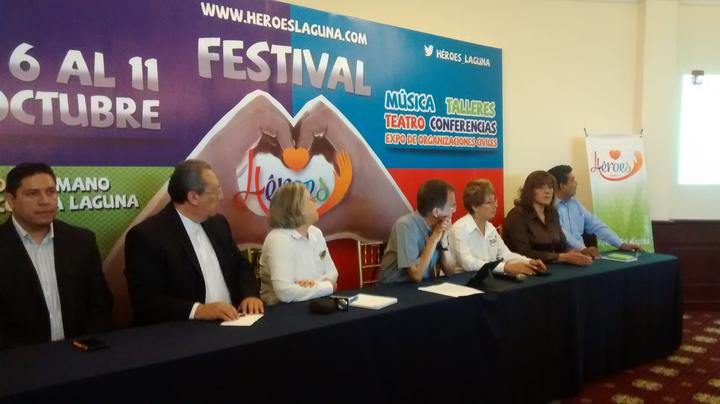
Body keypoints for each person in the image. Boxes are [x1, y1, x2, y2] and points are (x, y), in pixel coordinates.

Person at [124, 160, 263, 325]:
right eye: (215, 191)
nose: (221, 196)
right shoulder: (147, 235)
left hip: (234, 322)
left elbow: (240, 265)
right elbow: (146, 300)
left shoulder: (218, 223)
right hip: (184, 330)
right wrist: (199, 310)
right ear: (193, 197)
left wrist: (250, 294)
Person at [0, 163, 112, 349]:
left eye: (51, 192)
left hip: (81, 353)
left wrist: (87, 344)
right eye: (32, 194)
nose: (45, 201)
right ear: (10, 200)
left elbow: (100, 303)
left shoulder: (82, 241)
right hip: (17, 359)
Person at [259, 183, 338, 305]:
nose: (315, 201)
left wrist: (313, 285)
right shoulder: (278, 239)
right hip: (284, 311)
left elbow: (333, 273)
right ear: (295, 208)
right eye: (310, 199)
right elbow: (284, 292)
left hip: (317, 304)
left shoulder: (316, 233)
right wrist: (328, 286)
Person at [450, 179, 546, 276]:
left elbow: (505, 254)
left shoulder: (490, 228)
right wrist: (504, 267)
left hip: (488, 277)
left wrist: (529, 262)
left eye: (495, 201)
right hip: (464, 280)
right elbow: (467, 263)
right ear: (474, 206)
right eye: (489, 202)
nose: (496, 205)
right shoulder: (460, 228)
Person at [548, 164, 644, 257]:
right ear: (562, 186)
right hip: (563, 258)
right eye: (572, 180)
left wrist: (621, 244)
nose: (576, 183)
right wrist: (582, 249)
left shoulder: (575, 203)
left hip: (583, 256)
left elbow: (596, 225)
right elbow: (562, 233)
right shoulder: (549, 208)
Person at [503, 171, 593, 266]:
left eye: (550, 187)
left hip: (557, 265)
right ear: (529, 191)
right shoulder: (517, 215)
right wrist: (562, 257)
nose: (547, 192)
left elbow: (562, 245)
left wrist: (578, 253)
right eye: (541, 188)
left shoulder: (552, 212)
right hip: (529, 267)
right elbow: (523, 253)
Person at [379, 179, 456, 283]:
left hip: (424, 287)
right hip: (394, 288)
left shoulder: (439, 226)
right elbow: (416, 275)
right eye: (452, 206)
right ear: (436, 212)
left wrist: (443, 241)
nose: (454, 210)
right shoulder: (405, 225)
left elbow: (450, 271)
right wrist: (434, 238)